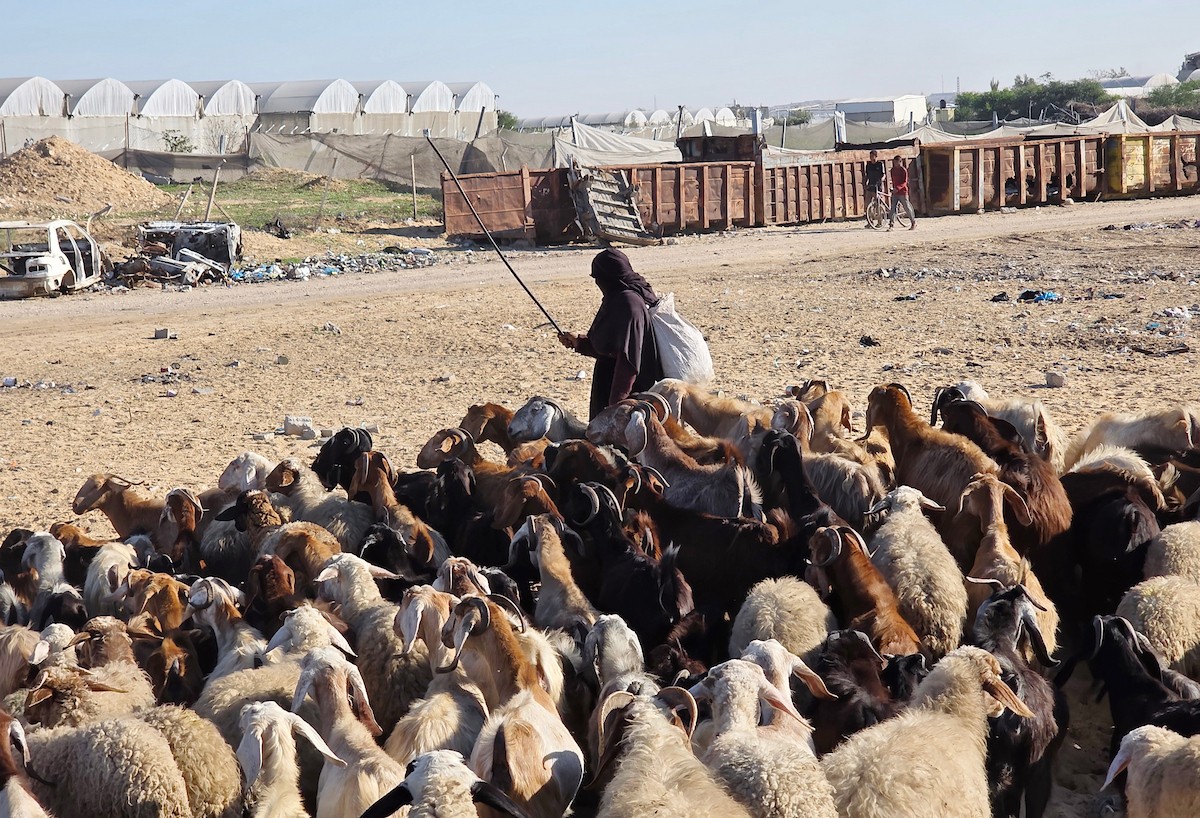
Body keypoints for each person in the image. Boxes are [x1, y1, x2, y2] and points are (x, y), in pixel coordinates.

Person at [557, 248, 663, 419]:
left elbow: (628, 362)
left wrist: (615, 407)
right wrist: (579, 342)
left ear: (609, 277)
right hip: (610, 386)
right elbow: (610, 347)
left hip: (629, 397)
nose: (597, 283)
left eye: (598, 278)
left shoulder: (629, 304)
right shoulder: (617, 298)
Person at [889, 155, 917, 231]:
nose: (895, 163)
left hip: (902, 192)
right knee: (892, 209)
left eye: (896, 162)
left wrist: (897, 188)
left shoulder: (903, 170)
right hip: (895, 192)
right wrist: (893, 189)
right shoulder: (892, 170)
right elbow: (893, 180)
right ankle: (891, 225)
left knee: (906, 207)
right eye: (894, 162)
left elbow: (904, 182)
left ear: (900, 162)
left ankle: (913, 222)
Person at [864, 149, 886, 227]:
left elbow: (883, 175)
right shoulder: (868, 165)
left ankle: (880, 222)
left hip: (878, 186)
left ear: (876, 156)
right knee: (867, 204)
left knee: (878, 204)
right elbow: (867, 175)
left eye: (872, 156)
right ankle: (870, 222)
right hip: (870, 186)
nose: (871, 158)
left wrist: (881, 181)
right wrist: (865, 183)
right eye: (870, 157)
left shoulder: (880, 164)